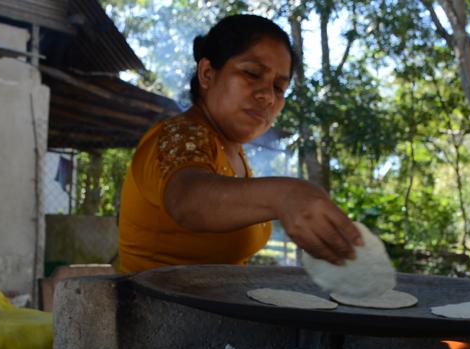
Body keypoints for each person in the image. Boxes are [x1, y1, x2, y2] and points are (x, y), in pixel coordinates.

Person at [117, 14, 362, 273]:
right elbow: (188, 200)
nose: (267, 96)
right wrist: (284, 195)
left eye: (279, 88)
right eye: (252, 73)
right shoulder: (176, 135)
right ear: (207, 73)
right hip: (151, 310)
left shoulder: (233, 153)